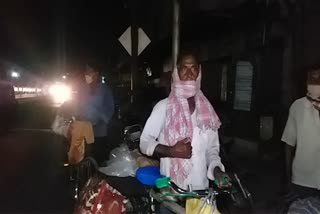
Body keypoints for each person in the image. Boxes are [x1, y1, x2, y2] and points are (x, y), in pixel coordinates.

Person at [140, 51, 230, 191]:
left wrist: (217, 171)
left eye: (193, 68)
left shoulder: (207, 111)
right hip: (169, 190)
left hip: (200, 190)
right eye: (184, 68)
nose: (189, 73)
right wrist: (171, 151)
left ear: (199, 72)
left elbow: (212, 149)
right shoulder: (163, 107)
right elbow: (144, 142)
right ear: (177, 72)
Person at [282, 65, 320, 201]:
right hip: (303, 181)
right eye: (312, 79)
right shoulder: (297, 106)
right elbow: (288, 143)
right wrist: (288, 178)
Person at [77, 62, 114, 165]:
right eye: (86, 71)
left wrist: (101, 118)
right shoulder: (82, 88)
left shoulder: (105, 89)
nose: (86, 74)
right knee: (85, 155)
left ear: (96, 74)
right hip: (84, 127)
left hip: (100, 127)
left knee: (99, 154)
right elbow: (77, 105)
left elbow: (110, 108)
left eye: (89, 71)